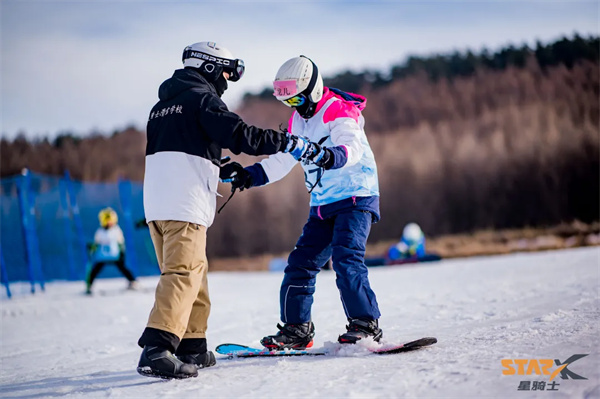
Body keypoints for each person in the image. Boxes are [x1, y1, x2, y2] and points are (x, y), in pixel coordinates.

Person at [137, 42, 320, 379]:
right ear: (208, 68)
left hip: (158, 204)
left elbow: (183, 152)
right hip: (183, 204)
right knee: (183, 274)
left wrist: (214, 165)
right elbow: (239, 135)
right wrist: (285, 142)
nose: (225, 80)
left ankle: (192, 344)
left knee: (194, 273)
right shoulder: (201, 99)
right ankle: (157, 348)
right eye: (225, 71)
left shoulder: (161, 107)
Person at [220, 55, 382, 350]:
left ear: (313, 92)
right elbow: (285, 159)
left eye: (296, 101)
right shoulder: (299, 120)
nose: (293, 108)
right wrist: (250, 175)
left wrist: (330, 155)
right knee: (300, 264)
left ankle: (365, 324)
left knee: (346, 259)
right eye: (287, 103)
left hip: (356, 196)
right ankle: (297, 329)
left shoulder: (338, 109)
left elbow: (351, 145)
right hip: (323, 203)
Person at [85, 207, 137, 295]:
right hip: (102, 256)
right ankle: (89, 285)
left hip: (115, 255)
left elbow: (121, 243)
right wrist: (92, 247)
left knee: (122, 268)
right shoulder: (100, 232)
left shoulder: (116, 230)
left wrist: (122, 253)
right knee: (96, 269)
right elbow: (96, 244)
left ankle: (133, 282)